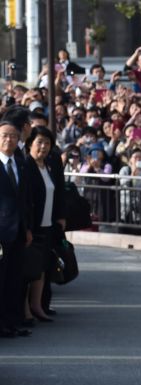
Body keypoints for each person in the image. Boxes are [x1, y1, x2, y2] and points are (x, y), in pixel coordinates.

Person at [23, 125, 64, 324]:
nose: (44, 147)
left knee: (41, 268)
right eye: (40, 142)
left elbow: (57, 193)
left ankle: (37, 305)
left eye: (47, 143)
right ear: (30, 143)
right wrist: (27, 227)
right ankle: (25, 310)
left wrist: (59, 217)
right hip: (33, 225)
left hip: (48, 224)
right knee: (28, 269)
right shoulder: (26, 166)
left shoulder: (48, 166)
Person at [0, 120, 32, 337]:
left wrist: (27, 228)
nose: (8, 139)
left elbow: (26, 200)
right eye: (4, 135)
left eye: (12, 135)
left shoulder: (20, 164)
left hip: (19, 231)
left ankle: (13, 321)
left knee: (15, 280)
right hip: (1, 233)